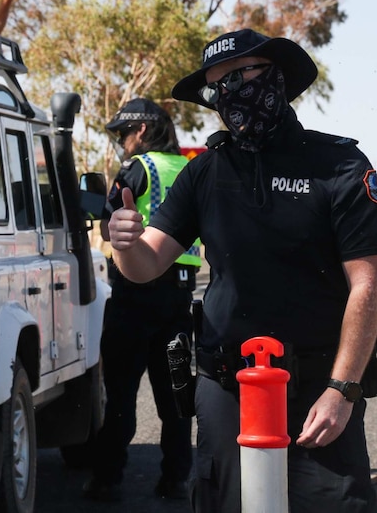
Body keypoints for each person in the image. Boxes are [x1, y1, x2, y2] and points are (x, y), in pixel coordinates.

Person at [108, 28, 377, 512]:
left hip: (320, 388)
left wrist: (344, 390)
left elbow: (368, 285)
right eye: (216, 87)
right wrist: (124, 244)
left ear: (275, 75)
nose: (228, 93)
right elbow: (147, 264)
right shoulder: (205, 171)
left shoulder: (339, 165)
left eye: (239, 75)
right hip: (227, 390)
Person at [84, 98, 199, 502]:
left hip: (134, 299)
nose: (121, 142)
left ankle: (107, 478)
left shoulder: (139, 168)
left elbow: (108, 220)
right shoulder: (190, 168)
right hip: (180, 301)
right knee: (178, 398)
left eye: (123, 134)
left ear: (143, 131)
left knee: (120, 395)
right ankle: (177, 480)